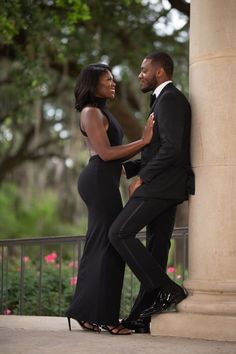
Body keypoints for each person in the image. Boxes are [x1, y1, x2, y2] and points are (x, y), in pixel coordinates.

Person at [108, 52, 195, 334]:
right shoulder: (163, 99)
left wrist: (142, 178)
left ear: (159, 72)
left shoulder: (170, 99)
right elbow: (158, 147)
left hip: (162, 185)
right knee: (156, 249)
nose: (140, 74)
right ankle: (142, 317)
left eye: (144, 69)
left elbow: (172, 148)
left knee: (118, 232)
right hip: (167, 185)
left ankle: (168, 289)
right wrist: (130, 168)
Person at [66, 63, 154, 335]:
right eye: (107, 80)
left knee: (100, 245)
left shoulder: (100, 111)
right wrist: (144, 141)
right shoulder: (91, 112)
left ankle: (85, 313)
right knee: (112, 246)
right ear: (93, 84)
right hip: (98, 181)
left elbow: (112, 157)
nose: (113, 83)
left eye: (113, 79)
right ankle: (106, 318)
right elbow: (105, 153)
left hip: (104, 181)